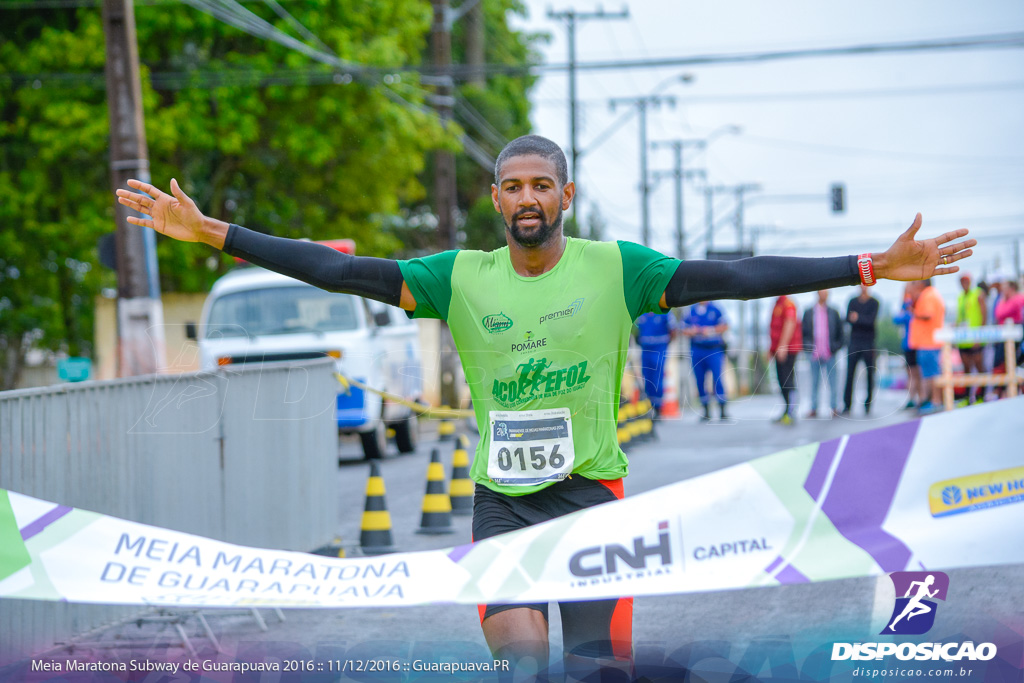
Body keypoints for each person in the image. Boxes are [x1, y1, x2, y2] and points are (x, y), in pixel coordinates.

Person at [115, 134, 975, 677]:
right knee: (522, 664)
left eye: (541, 185)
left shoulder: (617, 267)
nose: (525, 197)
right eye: (511, 185)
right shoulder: (456, 278)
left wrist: (867, 265)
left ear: (564, 197)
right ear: (495, 200)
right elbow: (346, 271)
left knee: (599, 667)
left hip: (596, 504)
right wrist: (215, 233)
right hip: (504, 507)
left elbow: (736, 277)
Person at [682, 301, 728, 421]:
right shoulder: (691, 310)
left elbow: (725, 326)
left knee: (718, 378)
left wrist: (710, 330)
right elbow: (683, 329)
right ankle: (705, 409)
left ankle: (722, 408)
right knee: (700, 379)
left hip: (713, 349)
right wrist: (694, 331)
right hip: (697, 349)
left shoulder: (715, 309)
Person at [802, 289, 844, 418]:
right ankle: (814, 407)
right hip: (814, 353)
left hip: (829, 352)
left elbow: (841, 333)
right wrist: (808, 347)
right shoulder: (809, 312)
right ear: (817, 293)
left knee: (833, 381)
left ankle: (834, 407)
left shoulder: (834, 312)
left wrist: (835, 347)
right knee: (814, 381)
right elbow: (804, 333)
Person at [908, 278, 946, 414]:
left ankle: (936, 401)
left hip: (929, 342)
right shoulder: (930, 294)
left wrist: (914, 312)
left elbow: (928, 314)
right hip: (927, 342)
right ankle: (931, 401)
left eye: (916, 282)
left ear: (922, 283)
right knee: (929, 373)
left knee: (933, 374)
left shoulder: (929, 294)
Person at [843, 285, 879, 415]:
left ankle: (868, 404)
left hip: (868, 343)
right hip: (854, 342)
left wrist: (857, 318)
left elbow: (871, 321)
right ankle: (847, 404)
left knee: (870, 374)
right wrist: (861, 319)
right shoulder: (852, 301)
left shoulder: (874, 302)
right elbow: (847, 319)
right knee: (850, 373)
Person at [634, 312, 676, 416]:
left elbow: (673, 330)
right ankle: (648, 405)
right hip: (646, 348)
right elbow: (636, 331)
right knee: (647, 376)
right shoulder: (642, 313)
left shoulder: (665, 312)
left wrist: (666, 342)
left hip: (659, 347)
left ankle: (658, 407)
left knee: (657, 377)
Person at [955, 273, 987, 404]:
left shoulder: (977, 294)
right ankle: (968, 397)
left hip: (975, 337)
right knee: (966, 368)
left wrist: (979, 335)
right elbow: (960, 317)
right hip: (964, 339)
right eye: (962, 282)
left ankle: (982, 396)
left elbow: (984, 314)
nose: (964, 284)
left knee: (979, 366)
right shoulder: (960, 297)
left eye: (966, 281)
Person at [769, 295, 801, 425]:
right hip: (778, 349)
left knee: (788, 380)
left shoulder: (788, 303)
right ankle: (786, 409)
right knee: (781, 380)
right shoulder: (777, 303)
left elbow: (790, 323)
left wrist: (783, 346)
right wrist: (772, 349)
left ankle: (791, 411)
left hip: (787, 349)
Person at [893, 284, 923, 409]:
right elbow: (896, 319)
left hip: (917, 342)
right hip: (907, 344)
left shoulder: (916, 302)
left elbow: (913, 318)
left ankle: (921, 397)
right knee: (911, 372)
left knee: (917, 372)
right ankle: (912, 397)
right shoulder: (905, 304)